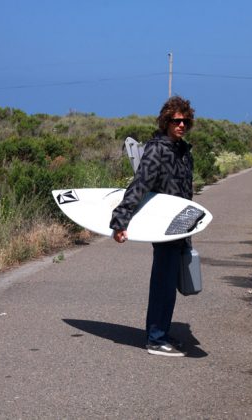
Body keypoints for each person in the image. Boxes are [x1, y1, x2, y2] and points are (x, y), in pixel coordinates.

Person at [110, 95, 195, 357]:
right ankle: (155, 339)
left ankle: (162, 333)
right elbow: (140, 185)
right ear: (165, 121)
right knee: (162, 282)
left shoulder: (182, 150)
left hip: (180, 224)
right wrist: (120, 221)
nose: (181, 125)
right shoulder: (157, 150)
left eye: (185, 121)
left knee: (170, 283)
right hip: (163, 225)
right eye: (175, 121)